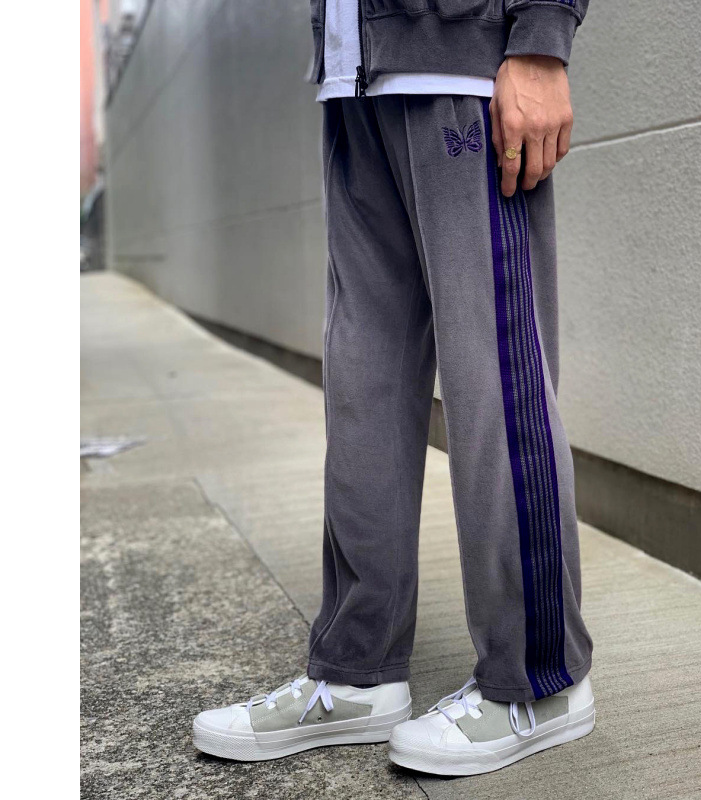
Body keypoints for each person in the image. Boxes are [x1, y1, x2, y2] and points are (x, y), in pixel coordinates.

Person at [194, 0, 594, 776]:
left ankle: (540, 678)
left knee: (495, 385)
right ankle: (359, 670)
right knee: (362, 395)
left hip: (463, 67)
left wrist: (542, 40)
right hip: (354, 79)